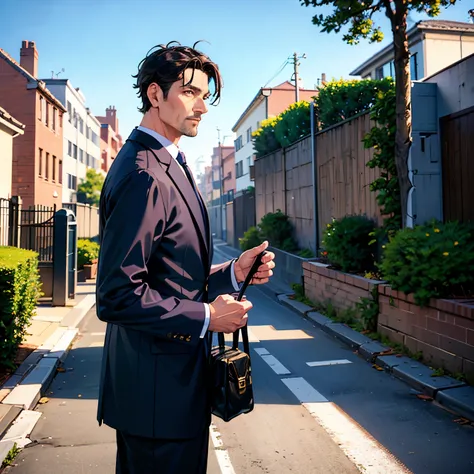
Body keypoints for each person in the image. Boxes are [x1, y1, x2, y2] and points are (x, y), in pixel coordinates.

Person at [95, 42, 276, 474]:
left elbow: (169, 276)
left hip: (169, 396)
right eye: (190, 92)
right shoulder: (144, 173)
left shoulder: (167, 161)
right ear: (155, 95)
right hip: (157, 403)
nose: (203, 106)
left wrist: (232, 272)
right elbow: (117, 295)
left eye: (205, 95)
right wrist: (209, 318)